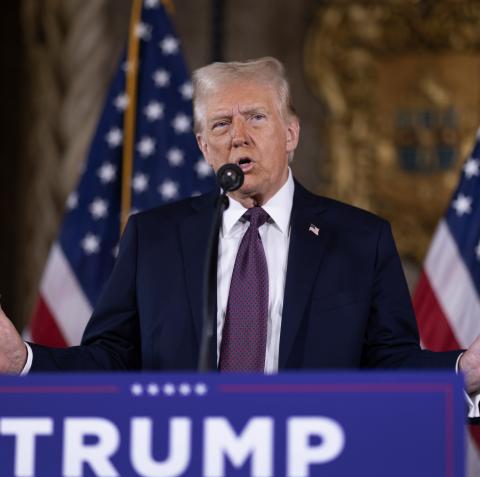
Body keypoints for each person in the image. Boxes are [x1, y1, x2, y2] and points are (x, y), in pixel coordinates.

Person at [1, 57, 480, 407]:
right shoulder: (155, 238)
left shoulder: (360, 238)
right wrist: (24, 360)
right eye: (221, 124)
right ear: (205, 148)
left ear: (290, 134)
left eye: (256, 117)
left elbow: (390, 362)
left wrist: (463, 371)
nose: (238, 136)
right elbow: (110, 358)